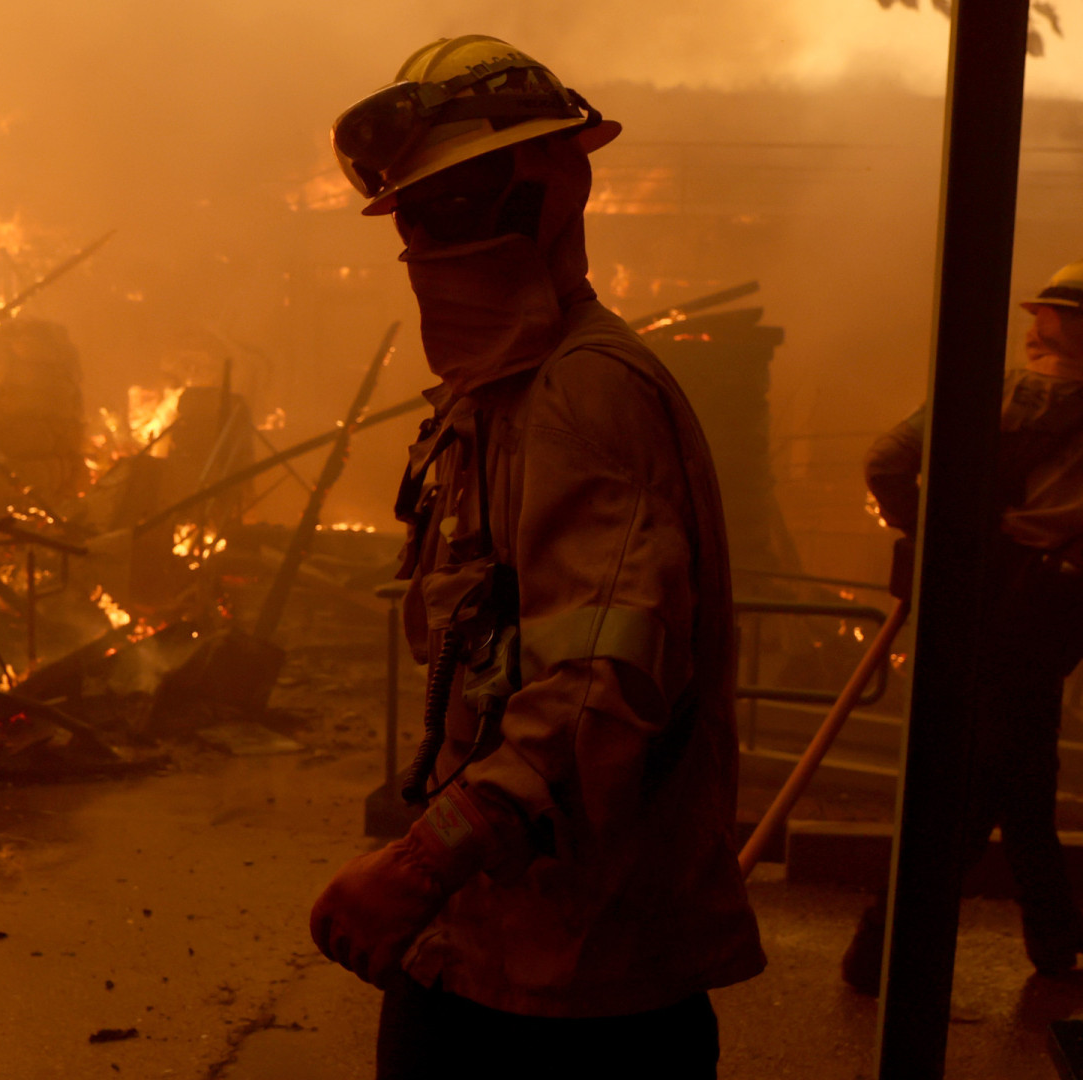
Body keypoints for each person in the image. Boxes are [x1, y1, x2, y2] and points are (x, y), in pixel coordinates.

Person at [306, 36, 765, 1079]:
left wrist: (423, 863)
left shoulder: (583, 393)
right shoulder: (505, 394)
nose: (429, 238)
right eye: (417, 212)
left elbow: (599, 686)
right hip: (495, 945)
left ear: (551, 189)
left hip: (577, 992)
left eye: (457, 202)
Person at [844, 257, 1083, 991]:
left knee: (1022, 776)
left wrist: (933, 536)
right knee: (982, 788)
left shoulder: (974, 398)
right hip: (1036, 619)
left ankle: (1054, 930)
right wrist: (1066, 537)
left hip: (961, 606)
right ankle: (881, 943)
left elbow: (886, 460)